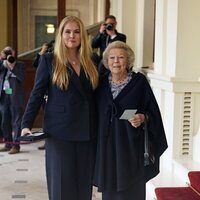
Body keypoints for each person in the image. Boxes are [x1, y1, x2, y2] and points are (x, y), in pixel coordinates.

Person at [21, 15, 99, 200]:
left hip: (87, 131)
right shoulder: (49, 60)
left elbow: (100, 95)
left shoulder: (92, 60)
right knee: (62, 186)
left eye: (77, 31)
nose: (72, 35)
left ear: (83, 36)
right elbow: (37, 93)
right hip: (59, 132)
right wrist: (26, 124)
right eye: (68, 31)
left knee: (83, 185)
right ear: (61, 35)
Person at [93, 41, 168, 200]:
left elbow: (152, 112)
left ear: (128, 61)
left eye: (121, 57)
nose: (116, 61)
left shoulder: (139, 82)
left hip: (131, 148)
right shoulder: (100, 83)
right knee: (110, 193)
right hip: (107, 149)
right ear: (106, 61)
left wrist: (142, 117)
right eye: (112, 58)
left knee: (132, 192)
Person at [0, 46, 25, 154]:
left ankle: (16, 146)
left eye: (9, 52)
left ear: (13, 53)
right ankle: (8, 143)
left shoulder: (20, 65)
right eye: (6, 52)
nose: (8, 54)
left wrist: (12, 66)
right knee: (5, 120)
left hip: (15, 96)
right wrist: (2, 58)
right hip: (4, 95)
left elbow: (21, 77)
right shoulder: (2, 65)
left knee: (16, 121)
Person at [32, 41, 54, 150]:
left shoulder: (55, 58)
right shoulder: (44, 57)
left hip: (54, 92)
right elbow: (35, 63)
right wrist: (42, 52)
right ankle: (47, 140)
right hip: (44, 91)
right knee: (47, 116)